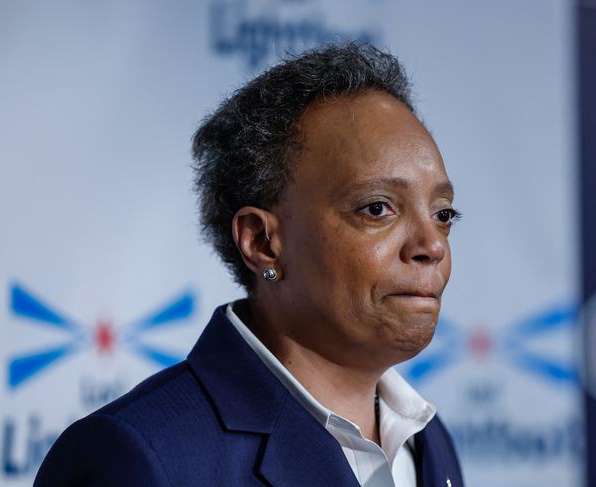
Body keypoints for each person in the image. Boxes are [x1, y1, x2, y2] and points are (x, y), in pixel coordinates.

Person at [34, 42, 464, 487]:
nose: (432, 245)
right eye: (377, 208)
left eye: (443, 214)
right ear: (261, 242)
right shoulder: (136, 458)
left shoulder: (429, 441)